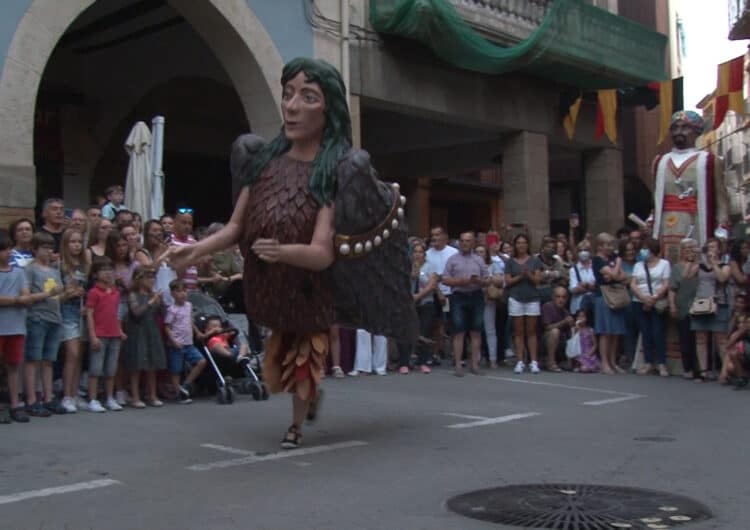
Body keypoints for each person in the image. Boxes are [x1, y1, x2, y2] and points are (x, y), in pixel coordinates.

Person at [169, 58, 416, 450]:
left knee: (304, 359)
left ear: (328, 109)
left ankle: (296, 427)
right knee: (281, 366)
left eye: (308, 96)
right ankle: (312, 397)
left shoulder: (332, 172)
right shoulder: (262, 162)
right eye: (288, 94)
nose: (292, 105)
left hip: (308, 289)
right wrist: (193, 251)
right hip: (272, 292)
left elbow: (321, 253)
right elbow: (236, 228)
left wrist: (282, 251)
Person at [652, 110, 728, 263]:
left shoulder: (709, 161)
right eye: (675, 127)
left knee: (692, 267)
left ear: (697, 131)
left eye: (685, 127)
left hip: (695, 224)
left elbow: (721, 200)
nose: (678, 132)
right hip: (667, 227)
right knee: (669, 266)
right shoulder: (659, 162)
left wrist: (722, 230)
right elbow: (655, 199)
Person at [23, 232, 65, 417]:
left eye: (50, 248)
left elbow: (57, 296)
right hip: (37, 317)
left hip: (55, 317)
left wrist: (68, 292)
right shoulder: (30, 269)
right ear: (35, 249)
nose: (48, 251)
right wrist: (48, 294)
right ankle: (32, 399)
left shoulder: (55, 270)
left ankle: (48, 398)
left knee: (49, 360)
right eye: (44, 248)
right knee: (33, 360)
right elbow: (27, 297)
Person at [442, 232, 489, 376]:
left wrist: (480, 281)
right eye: (462, 241)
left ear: (473, 242)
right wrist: (460, 281)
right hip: (458, 296)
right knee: (459, 331)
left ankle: (475, 365)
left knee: (476, 330)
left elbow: (487, 279)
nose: (464, 243)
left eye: (468, 241)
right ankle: (458, 365)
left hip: (476, 295)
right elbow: (444, 279)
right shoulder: (452, 259)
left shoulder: (479, 260)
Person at [85, 257, 126, 412]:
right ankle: (93, 399)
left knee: (111, 369)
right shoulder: (94, 292)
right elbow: (89, 314)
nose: (108, 273)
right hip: (100, 334)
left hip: (114, 334)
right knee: (96, 369)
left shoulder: (116, 292)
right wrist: (92, 335)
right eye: (103, 270)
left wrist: (120, 330)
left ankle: (110, 397)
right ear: (95, 274)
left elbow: (116, 314)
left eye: (110, 269)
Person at [123, 266, 166, 408]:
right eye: (148, 277)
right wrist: (151, 302)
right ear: (139, 279)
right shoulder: (133, 295)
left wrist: (161, 302)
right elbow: (136, 313)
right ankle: (135, 397)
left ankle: (152, 395)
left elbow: (162, 313)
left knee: (152, 364)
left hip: (151, 331)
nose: (152, 280)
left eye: (153, 277)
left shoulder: (153, 294)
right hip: (137, 332)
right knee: (137, 365)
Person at [0, 229, 31, 423]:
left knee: (13, 366)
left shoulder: (19, 272)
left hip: (16, 326)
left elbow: (26, 295)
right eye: (3, 249)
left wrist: (20, 299)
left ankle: (15, 403)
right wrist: (15, 300)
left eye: (9, 248)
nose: (8, 253)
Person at [690, 238, 731, 382]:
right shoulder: (700, 266)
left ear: (719, 249)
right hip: (701, 302)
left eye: (714, 247)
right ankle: (703, 371)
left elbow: (722, 279)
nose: (711, 250)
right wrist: (692, 258)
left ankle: (725, 371)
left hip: (718, 303)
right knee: (701, 338)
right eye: (709, 247)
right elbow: (687, 275)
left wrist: (714, 263)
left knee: (721, 339)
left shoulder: (725, 265)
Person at [630, 238, 671, 377]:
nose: (643, 251)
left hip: (656, 301)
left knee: (658, 332)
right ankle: (648, 363)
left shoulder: (664, 264)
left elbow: (666, 284)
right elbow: (633, 284)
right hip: (639, 301)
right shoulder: (638, 265)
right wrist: (643, 298)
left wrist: (654, 298)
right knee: (645, 332)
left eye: (646, 248)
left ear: (653, 250)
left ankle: (661, 363)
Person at [59, 229, 89, 412]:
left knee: (80, 356)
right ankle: (66, 395)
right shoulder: (60, 265)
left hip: (81, 311)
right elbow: (55, 294)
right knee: (72, 354)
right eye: (72, 242)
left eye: (79, 242)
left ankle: (76, 393)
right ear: (65, 244)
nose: (76, 245)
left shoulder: (83, 265)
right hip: (66, 311)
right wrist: (68, 293)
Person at [505, 234, 543, 374]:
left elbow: (538, 280)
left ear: (528, 244)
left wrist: (529, 275)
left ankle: (533, 361)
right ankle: (520, 361)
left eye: (524, 243)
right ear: (515, 245)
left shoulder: (534, 260)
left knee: (531, 331)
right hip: (516, 298)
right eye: (519, 243)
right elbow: (508, 281)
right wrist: (520, 276)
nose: (521, 245)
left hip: (532, 298)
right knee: (518, 332)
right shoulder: (510, 261)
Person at [164, 279, 206, 402]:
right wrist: (173, 340)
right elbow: (167, 326)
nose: (182, 294)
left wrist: (197, 332)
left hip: (189, 343)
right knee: (176, 370)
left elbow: (190, 321)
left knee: (201, 361)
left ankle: (186, 385)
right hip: (177, 344)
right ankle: (179, 394)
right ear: (172, 294)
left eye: (184, 291)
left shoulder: (188, 306)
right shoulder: (172, 309)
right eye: (178, 291)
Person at [592, 232, 626, 375]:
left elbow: (623, 276)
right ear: (600, 246)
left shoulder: (611, 258)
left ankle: (613, 362)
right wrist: (617, 265)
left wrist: (613, 273)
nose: (611, 247)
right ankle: (604, 363)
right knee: (605, 331)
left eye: (612, 244)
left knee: (615, 331)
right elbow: (611, 275)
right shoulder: (597, 260)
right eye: (608, 245)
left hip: (616, 294)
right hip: (603, 296)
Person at [402, 239, 437, 374]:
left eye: (420, 252)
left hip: (425, 302)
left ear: (424, 254)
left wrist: (419, 295)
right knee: (407, 332)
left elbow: (432, 285)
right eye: (415, 252)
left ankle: (423, 361)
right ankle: (404, 362)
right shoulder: (406, 266)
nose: (417, 255)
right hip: (409, 303)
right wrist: (411, 275)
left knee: (424, 332)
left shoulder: (430, 266)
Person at [669, 238, 700, 379]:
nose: (689, 251)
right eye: (686, 249)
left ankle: (700, 368)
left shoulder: (702, 265)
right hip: (683, 305)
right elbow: (672, 289)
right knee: (685, 338)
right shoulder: (677, 267)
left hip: (699, 305)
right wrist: (672, 305)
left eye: (692, 248)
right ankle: (688, 368)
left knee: (699, 339)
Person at [474, 243, 504, 369]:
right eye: (477, 252)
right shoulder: (471, 265)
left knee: (490, 330)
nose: (480, 254)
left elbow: (500, 281)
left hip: (489, 300)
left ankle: (493, 359)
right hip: (475, 299)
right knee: (476, 330)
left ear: (486, 253)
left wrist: (488, 278)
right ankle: (477, 358)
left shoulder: (493, 265)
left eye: (482, 251)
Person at [541, 286, 574, 372]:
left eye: (563, 297)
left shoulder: (566, 312)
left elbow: (570, 333)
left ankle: (571, 361)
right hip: (545, 340)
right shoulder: (547, 307)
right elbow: (547, 327)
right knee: (555, 332)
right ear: (553, 297)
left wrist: (573, 326)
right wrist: (564, 322)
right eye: (558, 296)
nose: (561, 300)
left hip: (561, 342)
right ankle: (551, 362)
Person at [170, 208, 199, 292]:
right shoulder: (169, 240)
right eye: (183, 223)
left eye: (190, 223)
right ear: (175, 223)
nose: (187, 226)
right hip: (176, 292)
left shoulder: (194, 242)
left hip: (192, 290)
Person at [537, 235, 567, 304]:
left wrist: (553, 274)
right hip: (539, 294)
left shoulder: (557, 261)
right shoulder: (536, 260)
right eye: (548, 247)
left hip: (554, 295)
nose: (551, 249)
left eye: (553, 248)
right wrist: (550, 274)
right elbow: (537, 277)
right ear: (543, 247)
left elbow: (563, 275)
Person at [569, 243, 595, 315]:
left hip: (594, 304)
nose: (583, 252)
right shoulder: (573, 270)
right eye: (580, 250)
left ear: (590, 252)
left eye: (585, 250)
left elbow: (598, 285)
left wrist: (585, 285)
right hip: (578, 305)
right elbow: (573, 289)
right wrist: (590, 287)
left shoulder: (595, 267)